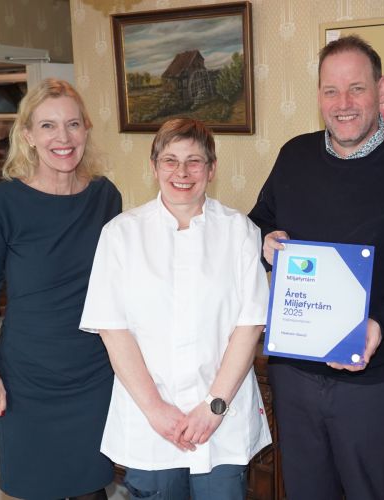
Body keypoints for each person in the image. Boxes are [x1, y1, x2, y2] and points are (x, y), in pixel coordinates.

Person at [248, 35, 384, 500]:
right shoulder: (294, 156)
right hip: (294, 375)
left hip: (374, 382)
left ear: (381, 90)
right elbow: (258, 221)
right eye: (331, 91)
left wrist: (380, 323)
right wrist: (264, 241)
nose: (343, 104)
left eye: (356, 89)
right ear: (319, 96)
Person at [79, 118, 271, 500]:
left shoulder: (240, 232)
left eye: (194, 161)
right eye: (170, 160)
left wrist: (214, 406)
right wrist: (155, 409)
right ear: (154, 167)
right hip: (149, 417)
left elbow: (249, 326)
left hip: (222, 417)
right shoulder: (120, 234)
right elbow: (113, 330)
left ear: (211, 169)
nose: (181, 172)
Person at [0, 78, 122, 500]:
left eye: (73, 124)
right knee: (36, 487)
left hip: (93, 371)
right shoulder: (0, 204)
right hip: (27, 375)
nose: (63, 138)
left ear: (86, 129)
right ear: (28, 136)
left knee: (91, 489)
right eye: (48, 126)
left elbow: (121, 280)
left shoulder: (105, 197)